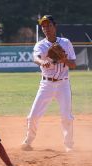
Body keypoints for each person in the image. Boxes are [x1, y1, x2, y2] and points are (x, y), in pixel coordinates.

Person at [21, 15, 76, 152]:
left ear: (54, 26)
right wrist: (42, 62)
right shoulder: (40, 45)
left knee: (66, 116)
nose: (46, 28)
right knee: (33, 115)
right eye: (43, 26)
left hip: (63, 84)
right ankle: (28, 141)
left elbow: (73, 65)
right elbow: (36, 58)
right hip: (46, 84)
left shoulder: (66, 42)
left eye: (49, 25)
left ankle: (68, 144)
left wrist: (63, 59)